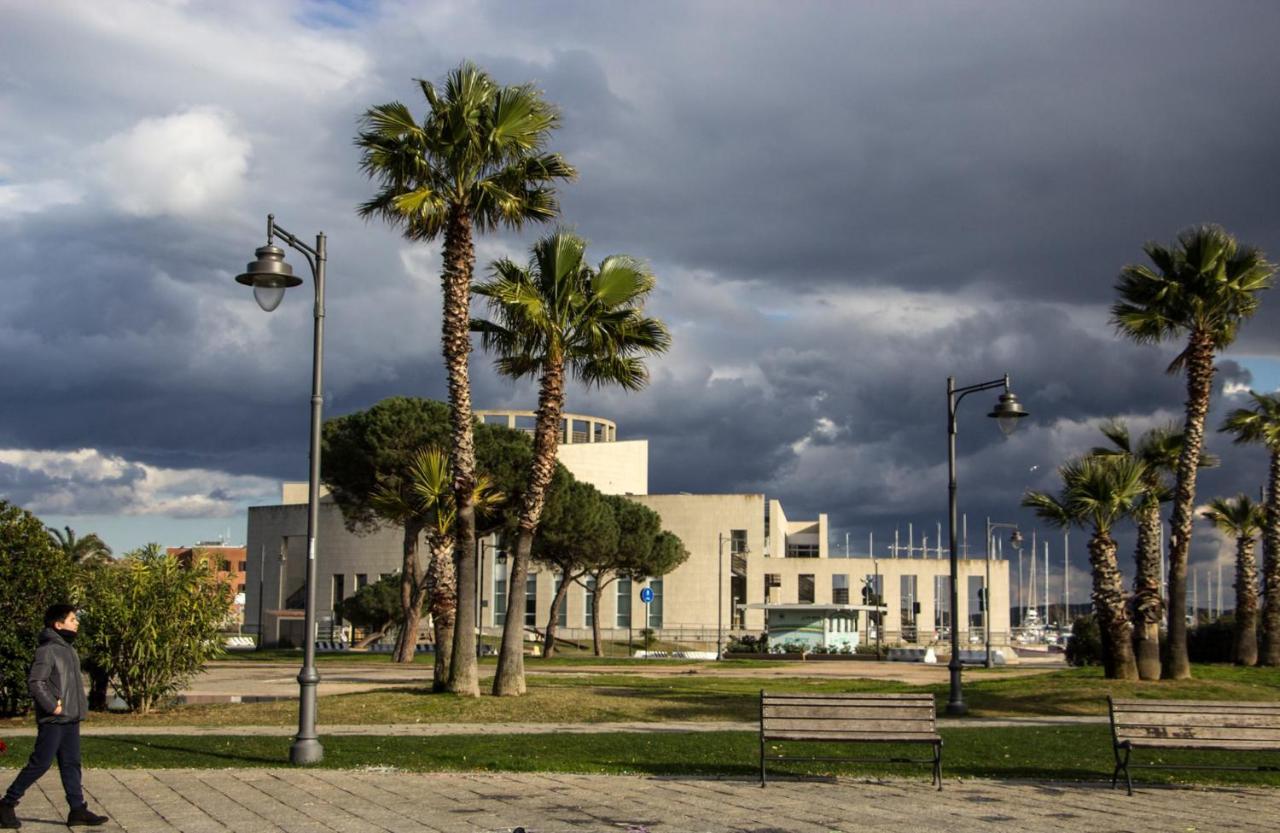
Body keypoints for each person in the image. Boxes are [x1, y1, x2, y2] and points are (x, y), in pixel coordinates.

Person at [0, 605, 108, 829]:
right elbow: (35, 682)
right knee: (40, 763)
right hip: (54, 720)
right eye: (72, 619)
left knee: (71, 764)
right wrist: (52, 706)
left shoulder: (68, 649)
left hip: (70, 718)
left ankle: (77, 810)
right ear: (58, 625)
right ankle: (6, 804)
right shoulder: (48, 650)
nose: (76, 622)